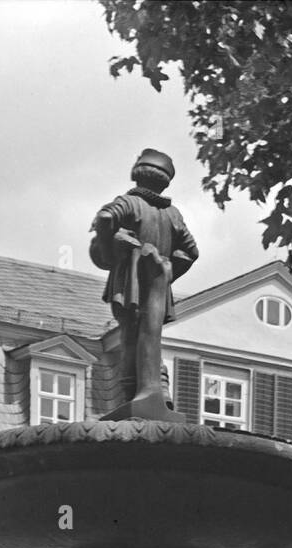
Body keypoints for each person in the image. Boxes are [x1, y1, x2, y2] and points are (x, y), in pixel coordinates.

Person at [89, 149, 199, 420]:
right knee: (151, 339)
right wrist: (167, 272)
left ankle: (132, 396)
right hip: (158, 284)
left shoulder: (129, 202)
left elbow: (104, 219)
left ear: (137, 173)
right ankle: (161, 393)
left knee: (131, 338)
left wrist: (110, 250)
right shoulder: (172, 213)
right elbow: (191, 251)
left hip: (130, 283)